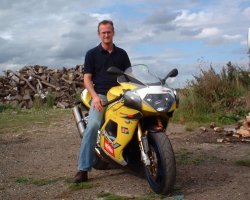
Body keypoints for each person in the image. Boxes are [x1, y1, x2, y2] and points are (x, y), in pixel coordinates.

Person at [74, 20, 131, 183]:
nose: (106, 35)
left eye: (109, 32)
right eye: (103, 32)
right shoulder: (91, 54)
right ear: (99, 34)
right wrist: (96, 97)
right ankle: (83, 169)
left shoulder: (122, 54)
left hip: (120, 95)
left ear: (113, 33)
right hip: (102, 96)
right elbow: (87, 79)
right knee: (92, 126)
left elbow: (129, 75)